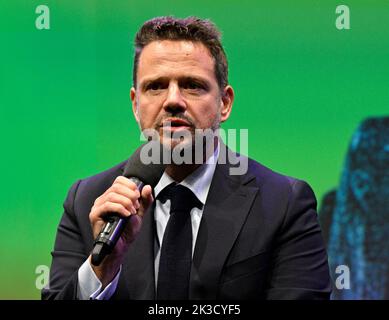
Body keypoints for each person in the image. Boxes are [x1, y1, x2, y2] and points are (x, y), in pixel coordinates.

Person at [42, 16, 331, 300]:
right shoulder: (88, 202)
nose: (172, 100)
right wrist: (103, 266)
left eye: (192, 85)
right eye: (155, 86)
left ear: (224, 103)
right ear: (135, 104)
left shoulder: (283, 204)